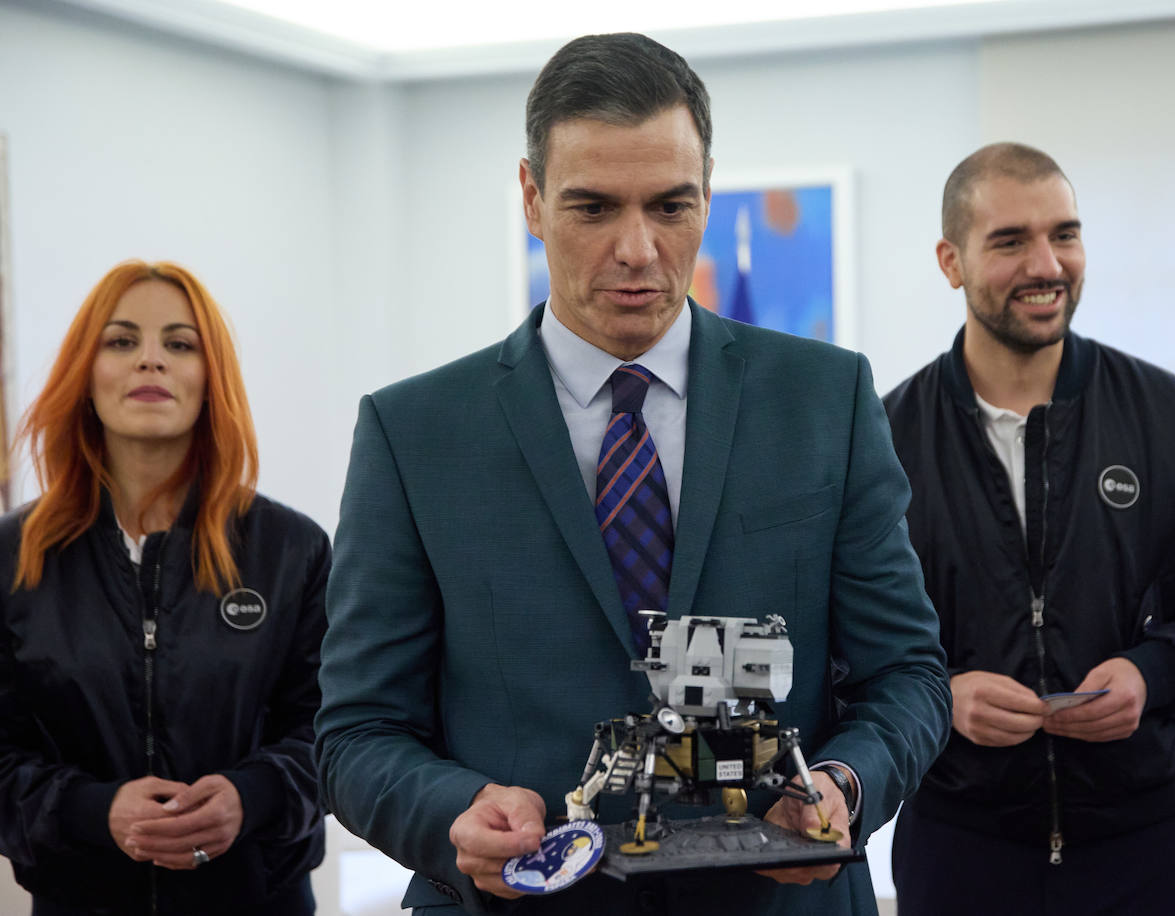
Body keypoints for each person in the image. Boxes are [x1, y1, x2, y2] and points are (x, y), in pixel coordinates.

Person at [316, 32, 950, 916]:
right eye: (593, 207)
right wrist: (454, 813)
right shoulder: (414, 433)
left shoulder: (826, 399)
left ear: (708, 192)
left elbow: (909, 675)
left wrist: (844, 781)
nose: (637, 248)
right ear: (532, 199)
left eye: (669, 205)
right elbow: (356, 733)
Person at [883, 143, 1175, 915]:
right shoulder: (881, 442)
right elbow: (840, 647)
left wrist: (1155, 673)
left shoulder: (1173, 418)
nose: (1047, 264)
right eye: (1010, 241)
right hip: (959, 856)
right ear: (951, 260)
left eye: (1064, 234)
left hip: (1146, 854)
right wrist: (940, 696)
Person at [0, 261, 331, 915]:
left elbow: (339, 733)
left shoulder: (292, 550)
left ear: (211, 378)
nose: (150, 360)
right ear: (84, 373)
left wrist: (253, 794)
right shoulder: (13, 555)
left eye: (179, 344)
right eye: (121, 341)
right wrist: (93, 810)